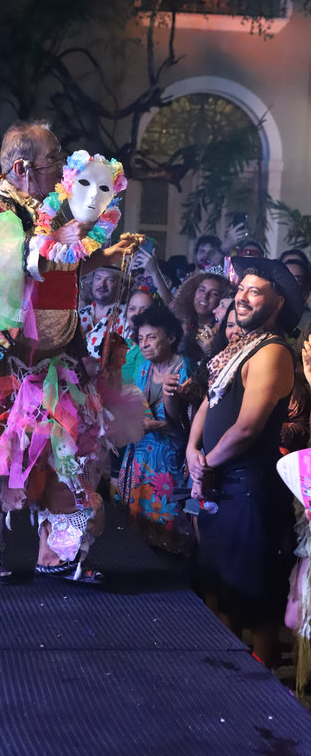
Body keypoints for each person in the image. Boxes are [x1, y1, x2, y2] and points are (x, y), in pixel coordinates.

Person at [0, 124, 141, 584]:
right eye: (54, 158)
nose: (63, 166)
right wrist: (69, 239)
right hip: (2, 359)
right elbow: (19, 267)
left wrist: (105, 253)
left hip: (55, 356)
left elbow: (63, 265)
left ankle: (58, 554)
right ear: (22, 166)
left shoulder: (47, 209)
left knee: (66, 450)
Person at [186, 257, 302, 667]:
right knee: (220, 597)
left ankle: (263, 697)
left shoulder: (272, 351)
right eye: (240, 290)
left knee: (257, 609)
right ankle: (227, 685)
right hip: (222, 484)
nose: (242, 298)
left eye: (255, 291)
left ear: (278, 302)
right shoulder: (238, 348)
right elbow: (209, 403)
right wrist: (192, 449)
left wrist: (206, 464)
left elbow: (248, 427)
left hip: (250, 490)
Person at [117, 305, 193, 551]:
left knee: (168, 534)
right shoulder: (144, 368)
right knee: (136, 539)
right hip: (138, 460)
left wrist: (158, 425)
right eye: (140, 339)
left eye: (151, 337)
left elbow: (193, 422)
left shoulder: (186, 369)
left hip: (170, 463)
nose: (144, 344)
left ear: (170, 337)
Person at [172, 272, 230, 360]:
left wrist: (210, 352)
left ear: (221, 299)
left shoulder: (224, 331)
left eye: (214, 294)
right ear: (193, 292)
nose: (205, 296)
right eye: (202, 290)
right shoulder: (180, 321)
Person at [79, 266, 125, 357]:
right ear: (92, 282)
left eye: (110, 280)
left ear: (119, 287)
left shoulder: (126, 315)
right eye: (98, 278)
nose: (102, 284)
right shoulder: (80, 314)